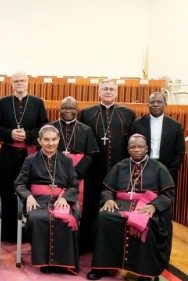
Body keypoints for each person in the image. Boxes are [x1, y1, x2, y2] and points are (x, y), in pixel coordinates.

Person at [87, 134, 174, 281]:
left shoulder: (159, 168)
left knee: (148, 222)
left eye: (140, 146)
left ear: (146, 148)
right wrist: (108, 200)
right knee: (104, 218)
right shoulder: (120, 166)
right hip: (120, 205)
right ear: (128, 149)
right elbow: (107, 189)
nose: (137, 150)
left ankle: (144, 272)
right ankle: (102, 267)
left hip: (146, 206)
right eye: (133, 147)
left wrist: (154, 206)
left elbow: (168, 194)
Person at [78, 79, 136, 252]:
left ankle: (113, 247)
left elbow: (132, 144)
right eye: (105, 89)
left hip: (119, 171)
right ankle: (87, 244)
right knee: (90, 207)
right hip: (93, 170)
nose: (108, 92)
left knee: (115, 209)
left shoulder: (128, 114)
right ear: (99, 92)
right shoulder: (87, 113)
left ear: (116, 92)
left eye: (112, 89)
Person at [14, 125, 80, 275]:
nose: (50, 143)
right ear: (39, 141)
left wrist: (66, 198)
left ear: (58, 140)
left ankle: (62, 263)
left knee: (67, 218)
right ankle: (44, 261)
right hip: (37, 200)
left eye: (54, 139)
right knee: (38, 218)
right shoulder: (30, 160)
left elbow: (73, 184)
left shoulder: (66, 160)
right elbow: (19, 183)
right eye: (46, 140)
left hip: (60, 200)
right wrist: (28, 196)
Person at [0, 71, 48, 242]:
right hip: (8, 153)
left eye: (22, 80)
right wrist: (10, 133)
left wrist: (28, 135)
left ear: (27, 81)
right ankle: (8, 233)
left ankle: (29, 233)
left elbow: (43, 127)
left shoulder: (37, 103)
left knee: (29, 188)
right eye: (16, 81)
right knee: (7, 189)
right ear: (11, 83)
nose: (19, 84)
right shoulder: (3, 102)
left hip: (29, 153)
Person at [49, 96, 99, 209]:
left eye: (72, 108)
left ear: (77, 110)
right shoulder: (50, 127)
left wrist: (76, 173)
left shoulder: (86, 129)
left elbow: (90, 154)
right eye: (65, 108)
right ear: (59, 109)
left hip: (78, 171)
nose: (68, 111)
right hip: (55, 170)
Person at [130, 91, 185, 184]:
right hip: (141, 168)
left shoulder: (176, 126)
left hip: (167, 169)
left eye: (159, 102)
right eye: (152, 102)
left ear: (165, 104)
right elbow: (130, 147)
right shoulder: (137, 123)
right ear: (148, 104)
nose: (155, 104)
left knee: (165, 197)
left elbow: (179, 152)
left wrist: (169, 171)